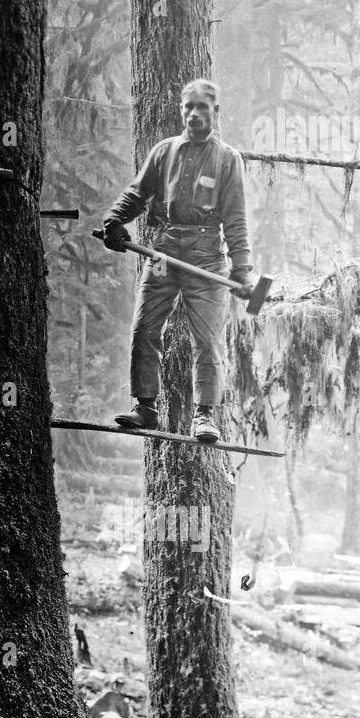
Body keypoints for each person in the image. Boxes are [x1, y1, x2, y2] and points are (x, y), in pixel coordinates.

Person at [101, 79, 253, 444]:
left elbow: (235, 220)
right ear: (181, 110)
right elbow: (137, 193)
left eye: (203, 107)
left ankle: (204, 416)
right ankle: (145, 407)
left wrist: (243, 270)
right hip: (164, 251)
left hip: (207, 257)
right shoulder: (165, 151)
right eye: (189, 107)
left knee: (207, 340)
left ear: (215, 112)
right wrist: (114, 221)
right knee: (144, 328)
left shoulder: (227, 159)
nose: (195, 114)